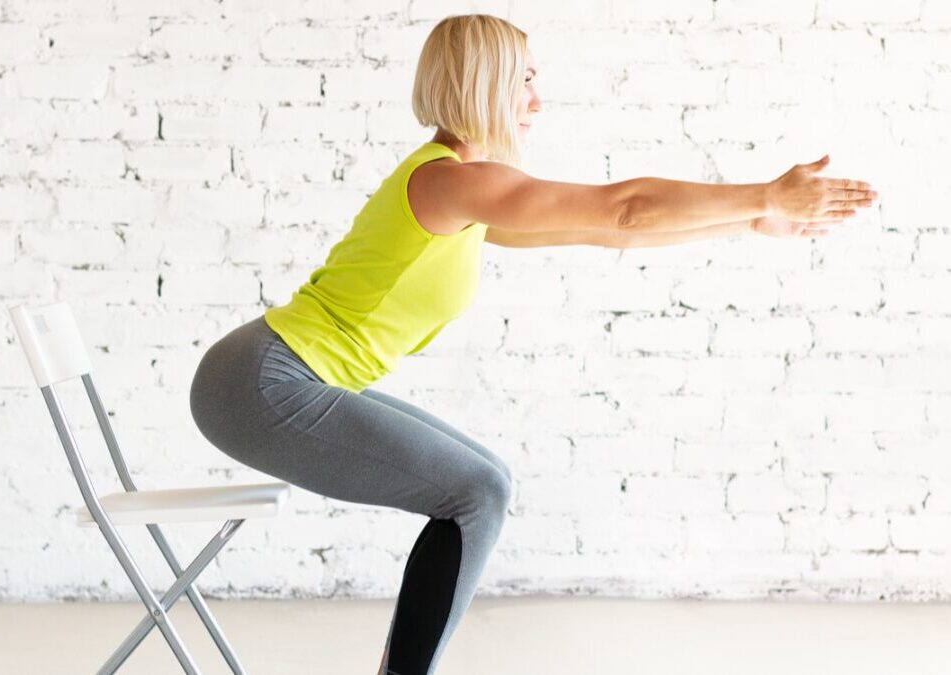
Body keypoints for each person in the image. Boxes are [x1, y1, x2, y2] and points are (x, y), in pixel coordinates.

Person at [188, 13, 878, 675]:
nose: (536, 101)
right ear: (482, 82)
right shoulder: (449, 181)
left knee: (486, 480)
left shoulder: (459, 191)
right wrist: (764, 192)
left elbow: (612, 229)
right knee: (476, 490)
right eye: (523, 80)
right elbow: (622, 206)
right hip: (263, 382)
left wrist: (753, 221)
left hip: (276, 375)